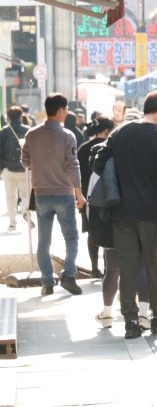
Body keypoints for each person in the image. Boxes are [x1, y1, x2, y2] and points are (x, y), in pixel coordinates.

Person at [95, 92, 157, 340]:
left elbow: (99, 165)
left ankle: (131, 322)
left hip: (121, 213)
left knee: (128, 268)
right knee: (154, 266)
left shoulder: (120, 132)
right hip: (153, 213)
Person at [21, 93, 86, 296]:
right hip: (64, 194)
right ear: (60, 110)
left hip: (41, 193)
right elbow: (73, 166)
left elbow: (25, 162)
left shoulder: (31, 134)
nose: (67, 113)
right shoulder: (68, 135)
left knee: (43, 241)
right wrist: (79, 194)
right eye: (66, 109)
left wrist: (40, 163)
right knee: (72, 237)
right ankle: (68, 273)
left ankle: (47, 282)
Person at [78, 116, 115, 276]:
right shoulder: (109, 147)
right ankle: (108, 268)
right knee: (108, 231)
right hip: (105, 196)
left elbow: (76, 173)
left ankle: (94, 268)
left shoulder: (83, 148)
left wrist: (77, 195)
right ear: (107, 131)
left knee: (92, 232)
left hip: (85, 197)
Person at [0, 105, 28, 231]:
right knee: (25, 193)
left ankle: (12, 222)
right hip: (24, 168)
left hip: (8, 169)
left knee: (10, 195)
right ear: (21, 116)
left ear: (8, 117)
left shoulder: (3, 132)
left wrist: (2, 168)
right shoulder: (28, 130)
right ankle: (25, 212)